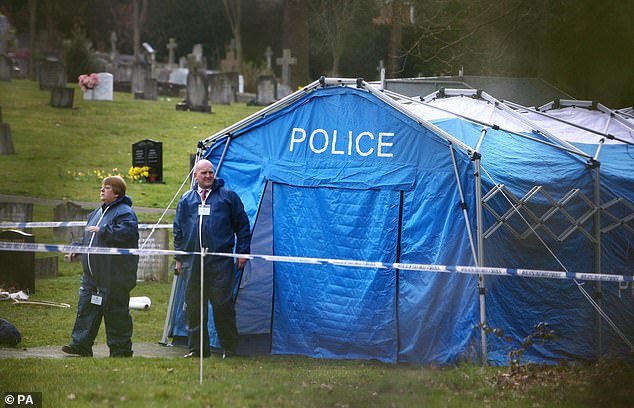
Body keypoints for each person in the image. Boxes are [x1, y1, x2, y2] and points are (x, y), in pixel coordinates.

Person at [173, 159, 251, 358]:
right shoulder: (186, 199)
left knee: (222, 305)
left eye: (211, 172)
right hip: (193, 262)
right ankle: (197, 350)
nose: (208, 176)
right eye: (204, 173)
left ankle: (229, 348)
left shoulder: (228, 197)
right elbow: (178, 230)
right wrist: (179, 257)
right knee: (194, 306)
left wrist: (242, 252)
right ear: (195, 176)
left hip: (219, 261)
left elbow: (242, 226)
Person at [62, 176, 139, 357]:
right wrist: (76, 249)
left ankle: (121, 350)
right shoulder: (95, 214)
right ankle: (80, 345)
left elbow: (127, 235)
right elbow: (89, 240)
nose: (102, 190)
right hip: (92, 276)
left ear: (117, 192)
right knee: (86, 310)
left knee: (116, 314)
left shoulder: (125, 213)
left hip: (115, 276)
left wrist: (104, 230)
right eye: (102, 187)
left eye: (107, 188)